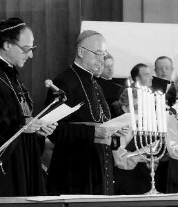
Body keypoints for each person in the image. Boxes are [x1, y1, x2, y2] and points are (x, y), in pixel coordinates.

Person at [0, 17, 57, 197]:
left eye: (32, 49)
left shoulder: (11, 76)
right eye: (27, 49)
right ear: (7, 45)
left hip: (22, 164)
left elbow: (19, 118)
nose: (31, 55)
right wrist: (22, 125)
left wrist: (37, 130)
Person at [45, 30, 124, 196]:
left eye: (104, 54)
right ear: (81, 52)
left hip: (98, 166)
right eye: (98, 54)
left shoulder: (95, 83)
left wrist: (114, 129)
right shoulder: (65, 81)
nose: (101, 60)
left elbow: (99, 121)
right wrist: (94, 132)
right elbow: (54, 130)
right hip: (75, 171)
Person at [111, 88, 152, 194]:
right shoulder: (119, 128)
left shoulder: (147, 126)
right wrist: (141, 156)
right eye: (136, 107)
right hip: (125, 179)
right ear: (125, 108)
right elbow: (121, 162)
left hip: (145, 176)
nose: (141, 111)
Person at [95, 53, 123, 118]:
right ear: (99, 67)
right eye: (106, 66)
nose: (110, 69)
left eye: (111, 66)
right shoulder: (96, 85)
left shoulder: (118, 85)